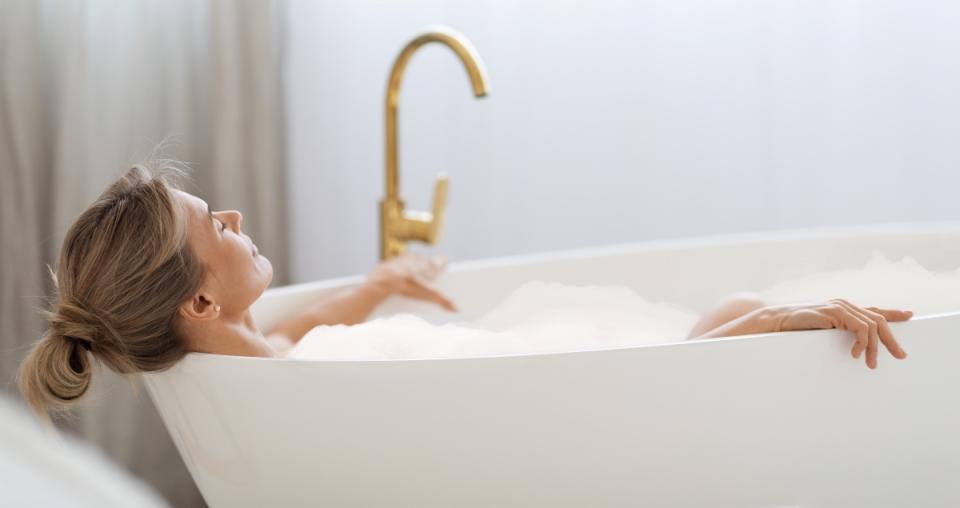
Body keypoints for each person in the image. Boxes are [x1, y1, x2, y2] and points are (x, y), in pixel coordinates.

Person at [18, 161, 910, 417]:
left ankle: (760, 322)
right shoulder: (295, 388)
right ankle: (779, 321)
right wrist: (786, 322)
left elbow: (311, 320)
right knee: (736, 321)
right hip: (567, 396)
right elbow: (612, 392)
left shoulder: (252, 360)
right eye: (217, 225)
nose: (238, 216)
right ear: (201, 304)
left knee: (720, 317)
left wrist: (374, 286)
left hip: (533, 375)